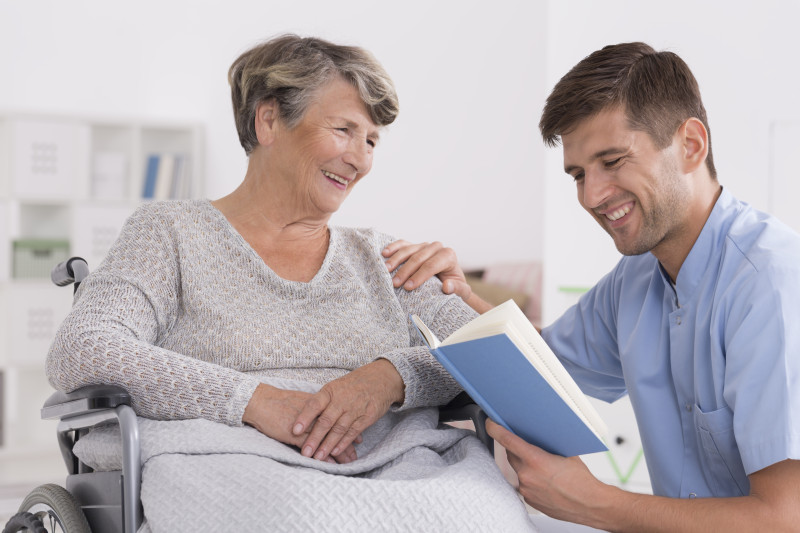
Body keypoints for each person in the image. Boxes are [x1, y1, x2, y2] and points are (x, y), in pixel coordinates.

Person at [46, 35, 535, 531]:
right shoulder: (170, 233)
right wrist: (258, 401)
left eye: (371, 141)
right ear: (269, 120)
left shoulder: (385, 257)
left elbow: (497, 363)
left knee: (485, 515)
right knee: (301, 519)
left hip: (400, 461)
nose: (361, 160)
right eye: (344, 129)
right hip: (226, 454)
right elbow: (83, 347)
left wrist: (390, 376)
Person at [384, 42, 800, 531]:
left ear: (690, 145)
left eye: (614, 160)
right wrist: (458, 292)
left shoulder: (772, 284)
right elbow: (540, 370)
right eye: (579, 174)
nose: (592, 196)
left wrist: (593, 503)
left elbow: (785, 517)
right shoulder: (638, 278)